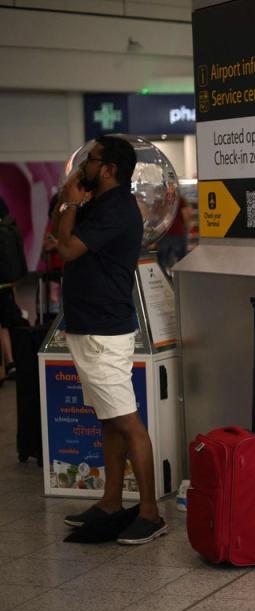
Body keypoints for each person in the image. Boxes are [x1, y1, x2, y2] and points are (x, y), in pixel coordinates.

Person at [51, 135, 167, 544]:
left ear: (109, 169)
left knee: (128, 423)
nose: (83, 163)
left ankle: (150, 513)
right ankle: (111, 502)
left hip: (104, 331)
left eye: (91, 158)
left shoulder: (116, 209)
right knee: (109, 420)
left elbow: (66, 249)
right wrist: (70, 204)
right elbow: (57, 238)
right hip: (90, 326)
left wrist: (68, 202)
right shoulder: (97, 204)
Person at [0, 195, 27, 383]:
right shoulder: (9, 223)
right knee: (5, 322)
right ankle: (10, 363)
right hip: (7, 281)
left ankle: (6, 367)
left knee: (2, 323)